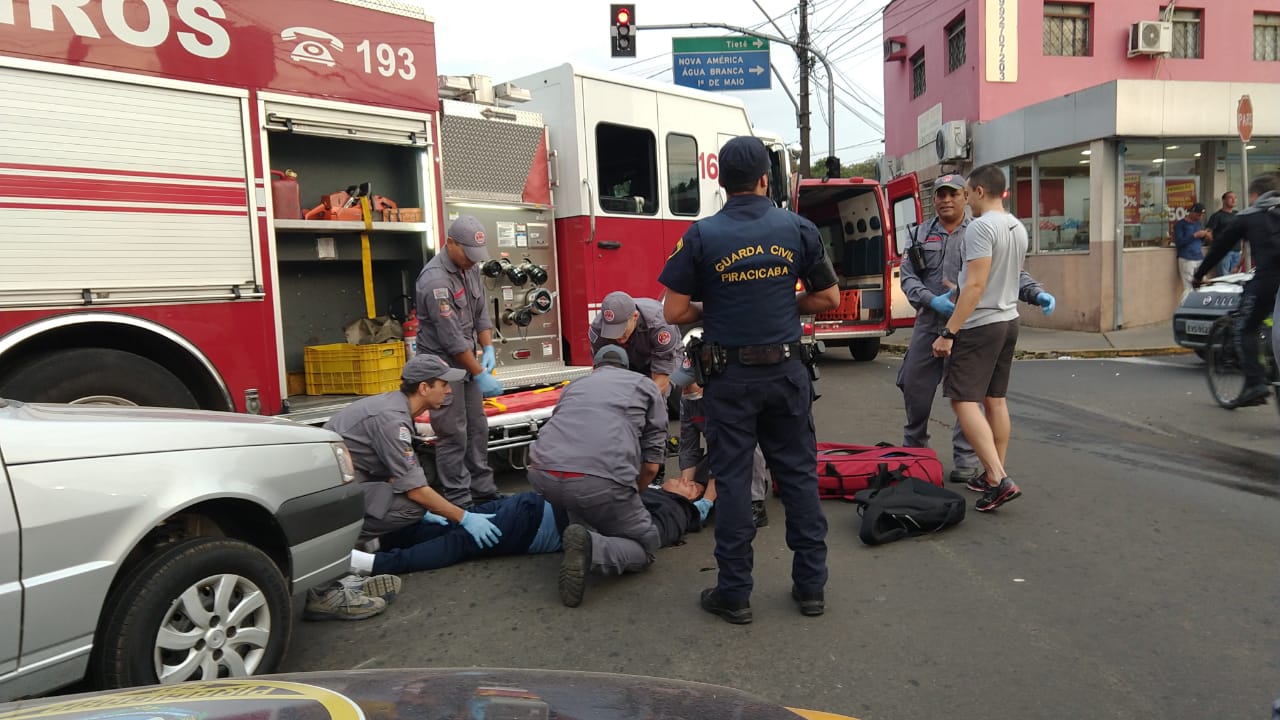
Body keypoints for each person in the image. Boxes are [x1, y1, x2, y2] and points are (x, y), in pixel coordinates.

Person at [659, 135, 839, 625]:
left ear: (719, 179)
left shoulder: (700, 235)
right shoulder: (797, 228)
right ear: (765, 179)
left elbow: (674, 310)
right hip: (786, 373)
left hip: (730, 378)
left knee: (734, 481)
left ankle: (734, 594)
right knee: (799, 477)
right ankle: (811, 589)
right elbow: (828, 299)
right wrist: (786, 302)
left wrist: (712, 304)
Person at [305, 354, 503, 621]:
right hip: (332, 497)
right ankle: (325, 590)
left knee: (414, 500)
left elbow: (393, 473)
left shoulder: (395, 408)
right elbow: (416, 491)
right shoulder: (392, 421)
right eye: (443, 384)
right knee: (413, 508)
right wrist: (463, 517)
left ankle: (341, 567)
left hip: (341, 486)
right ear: (424, 388)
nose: (448, 390)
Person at [897, 173, 1055, 485]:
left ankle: (967, 459)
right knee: (914, 385)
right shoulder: (919, 234)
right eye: (940, 195)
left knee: (967, 395)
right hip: (930, 322)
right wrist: (931, 300)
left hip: (968, 326)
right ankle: (915, 450)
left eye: (953, 194)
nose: (945, 200)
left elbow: (1008, 273)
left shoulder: (980, 230)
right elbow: (907, 277)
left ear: (967, 197)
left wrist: (1036, 293)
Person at [526, 344, 668, 608]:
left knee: (579, 504)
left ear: (595, 368)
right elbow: (651, 466)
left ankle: (580, 536)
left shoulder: (574, 385)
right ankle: (593, 547)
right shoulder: (644, 385)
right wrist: (630, 494)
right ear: (626, 369)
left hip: (543, 473)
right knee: (646, 545)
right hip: (599, 481)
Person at [347, 477, 714, 576]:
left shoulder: (673, 511)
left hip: (542, 522)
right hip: (535, 503)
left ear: (690, 498)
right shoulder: (649, 486)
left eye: (689, 484)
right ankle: (381, 544)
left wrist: (703, 503)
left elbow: (654, 533)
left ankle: (372, 565)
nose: (683, 480)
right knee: (454, 519)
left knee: (460, 541)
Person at [930, 164, 1027, 513]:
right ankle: (991, 476)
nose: (965, 199)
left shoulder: (981, 228)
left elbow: (976, 286)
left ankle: (999, 478)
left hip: (981, 324)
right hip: (1008, 319)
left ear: (981, 192)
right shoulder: (1017, 226)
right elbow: (997, 276)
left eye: (967, 192)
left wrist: (949, 332)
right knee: (994, 399)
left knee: (961, 399)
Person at [415, 214, 505, 508]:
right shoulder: (435, 281)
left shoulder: (470, 268)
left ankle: (483, 491)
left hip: (466, 362)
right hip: (442, 369)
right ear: (450, 243)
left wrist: (488, 348)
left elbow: (480, 313)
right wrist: (480, 372)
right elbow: (451, 338)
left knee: (478, 428)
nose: (473, 260)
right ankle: (459, 500)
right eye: (468, 254)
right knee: (453, 433)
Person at [1193, 173, 1280, 407]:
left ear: (1255, 195)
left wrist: (1200, 274)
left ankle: (1255, 383)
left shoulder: (1249, 217)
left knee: (1245, 326)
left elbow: (1219, 247)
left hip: (1268, 282)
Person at [677, 380, 769, 527]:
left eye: (689, 384)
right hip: (719, 448)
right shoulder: (687, 402)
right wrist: (685, 488)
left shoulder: (723, 397)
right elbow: (689, 447)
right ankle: (734, 488)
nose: (684, 389)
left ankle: (756, 502)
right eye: (683, 385)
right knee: (699, 481)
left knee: (750, 449)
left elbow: (722, 449)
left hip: (750, 444)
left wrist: (707, 500)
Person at [589, 290, 684, 399]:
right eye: (612, 331)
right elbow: (601, 374)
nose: (618, 336)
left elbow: (661, 380)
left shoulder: (659, 325)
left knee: (656, 399)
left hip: (660, 358)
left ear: (635, 316)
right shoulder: (598, 329)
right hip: (630, 358)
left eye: (622, 329)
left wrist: (636, 402)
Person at [1174, 203, 1209, 294]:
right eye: (1198, 214)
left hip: (1199, 257)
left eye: (1202, 215)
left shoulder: (1198, 224)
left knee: (1202, 284)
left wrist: (1204, 235)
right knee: (1189, 287)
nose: (1200, 216)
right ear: (1192, 212)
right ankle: (1188, 306)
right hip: (1187, 258)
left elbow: (1200, 241)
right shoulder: (1180, 224)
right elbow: (1179, 242)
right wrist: (1194, 235)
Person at [1206, 190, 1241, 277]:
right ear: (1224, 200)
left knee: (1236, 278)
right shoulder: (1217, 216)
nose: (1233, 200)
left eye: (1235, 198)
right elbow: (1207, 232)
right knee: (1224, 278)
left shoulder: (1238, 214)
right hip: (1224, 252)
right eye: (1230, 198)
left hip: (1237, 251)